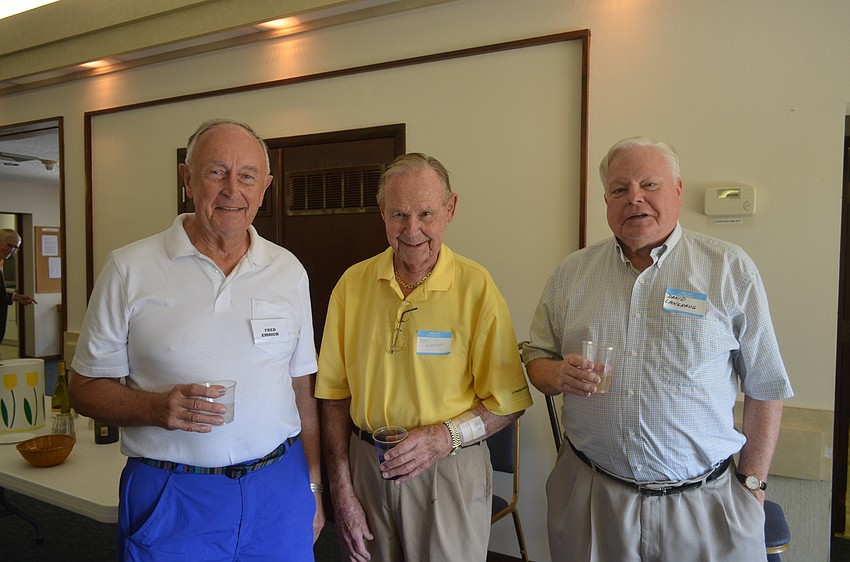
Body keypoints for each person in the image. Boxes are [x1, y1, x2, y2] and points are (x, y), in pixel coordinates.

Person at [523, 136, 794, 562]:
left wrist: (754, 484)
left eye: (649, 184)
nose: (635, 198)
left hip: (704, 503)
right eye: (619, 189)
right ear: (606, 201)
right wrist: (556, 374)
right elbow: (535, 356)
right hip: (593, 497)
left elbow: (766, 385)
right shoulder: (570, 274)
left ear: (678, 190)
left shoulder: (729, 269)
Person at [69, 118, 324, 561]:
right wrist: (153, 407)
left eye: (247, 176)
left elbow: (301, 385)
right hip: (174, 492)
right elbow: (83, 389)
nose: (232, 190)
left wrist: (313, 487)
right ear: (187, 179)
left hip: (279, 487)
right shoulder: (128, 269)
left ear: (264, 188)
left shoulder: (288, 270)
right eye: (216, 172)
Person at [316, 153, 533, 562]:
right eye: (398, 214)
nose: (412, 230)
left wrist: (443, 438)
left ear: (450, 209)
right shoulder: (351, 285)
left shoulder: (476, 287)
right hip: (368, 466)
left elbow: (510, 403)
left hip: (448, 470)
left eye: (426, 214)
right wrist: (341, 489)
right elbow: (333, 397)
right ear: (382, 212)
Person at [0, 229, 37, 345]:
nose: (12, 250)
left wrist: (14, 297)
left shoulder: (1, 262)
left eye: (16, 248)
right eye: (9, 245)